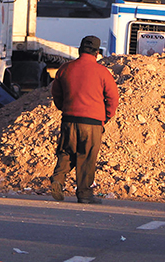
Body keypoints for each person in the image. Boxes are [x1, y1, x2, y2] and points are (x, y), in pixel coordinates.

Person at [50, 35, 119, 204]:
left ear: (80, 50)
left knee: (66, 152)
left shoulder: (65, 69)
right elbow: (113, 97)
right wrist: (106, 116)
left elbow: (56, 94)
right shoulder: (102, 72)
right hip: (92, 122)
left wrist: (64, 109)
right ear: (97, 53)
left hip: (69, 119)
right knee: (86, 157)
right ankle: (84, 194)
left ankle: (58, 179)